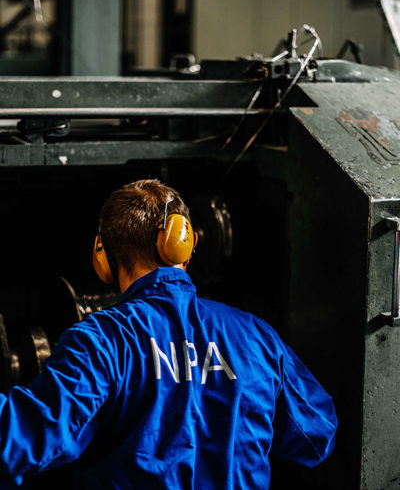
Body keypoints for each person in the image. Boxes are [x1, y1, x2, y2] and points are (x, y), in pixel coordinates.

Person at [0, 179, 337, 488]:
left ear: (104, 259)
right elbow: (318, 435)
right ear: (185, 244)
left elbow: (16, 440)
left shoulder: (101, 343)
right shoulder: (255, 337)